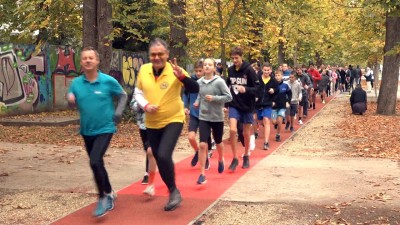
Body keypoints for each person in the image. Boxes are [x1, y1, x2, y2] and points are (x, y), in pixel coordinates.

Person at [134, 38, 199, 211]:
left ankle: (173, 192)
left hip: (173, 119)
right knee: (159, 157)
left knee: (163, 155)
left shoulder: (175, 69)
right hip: (152, 122)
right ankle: (174, 191)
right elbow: (138, 92)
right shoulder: (144, 69)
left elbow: (195, 88)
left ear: (167, 54)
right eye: (153, 54)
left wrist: (183, 77)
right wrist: (146, 105)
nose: (157, 57)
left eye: (160, 54)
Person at [67, 47, 127, 217]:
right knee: (97, 162)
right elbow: (71, 104)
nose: (87, 60)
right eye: (84, 58)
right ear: (81, 62)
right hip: (87, 130)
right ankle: (109, 190)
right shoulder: (76, 83)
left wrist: (118, 113)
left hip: (106, 128)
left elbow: (123, 95)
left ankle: (103, 197)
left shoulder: (107, 81)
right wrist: (71, 101)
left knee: (94, 161)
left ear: (97, 61)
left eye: (91, 58)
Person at [193, 58, 232, 184]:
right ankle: (202, 174)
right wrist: (197, 102)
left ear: (214, 68)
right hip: (204, 116)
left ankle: (221, 159)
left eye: (209, 65)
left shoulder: (219, 82)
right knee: (203, 144)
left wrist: (214, 98)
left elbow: (229, 97)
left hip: (217, 117)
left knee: (219, 141)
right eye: (205, 65)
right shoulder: (199, 82)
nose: (207, 67)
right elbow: (200, 95)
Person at [226, 46, 260, 171]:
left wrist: (246, 89)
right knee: (233, 130)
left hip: (247, 105)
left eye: (237, 58)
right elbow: (227, 85)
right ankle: (234, 158)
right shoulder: (230, 70)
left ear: (241, 57)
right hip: (234, 104)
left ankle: (246, 155)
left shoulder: (249, 70)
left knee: (245, 133)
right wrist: (225, 102)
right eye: (233, 58)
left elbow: (258, 89)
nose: (235, 60)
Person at [182, 60, 211, 169]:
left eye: (200, 71)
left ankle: (206, 158)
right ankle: (198, 152)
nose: (198, 73)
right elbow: (185, 94)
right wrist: (185, 106)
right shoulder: (191, 81)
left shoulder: (208, 81)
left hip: (206, 115)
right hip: (194, 114)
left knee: (204, 141)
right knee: (191, 137)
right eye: (196, 71)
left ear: (204, 70)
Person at [130, 97, 157, 197]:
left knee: (150, 150)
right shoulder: (139, 90)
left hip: (156, 124)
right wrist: (143, 106)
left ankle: (147, 174)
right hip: (142, 124)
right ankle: (151, 169)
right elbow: (132, 104)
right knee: (148, 150)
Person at [255, 63, 278, 150]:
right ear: (262, 70)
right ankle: (264, 126)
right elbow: (253, 88)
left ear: (270, 70)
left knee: (266, 120)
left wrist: (274, 91)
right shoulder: (257, 79)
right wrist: (255, 96)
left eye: (268, 70)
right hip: (258, 103)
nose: (266, 72)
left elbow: (277, 91)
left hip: (268, 103)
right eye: (265, 70)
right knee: (260, 121)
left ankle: (266, 142)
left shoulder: (273, 80)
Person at [272, 70, 291, 142]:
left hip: (282, 106)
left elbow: (289, 93)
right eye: (276, 75)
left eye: (279, 75)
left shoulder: (285, 86)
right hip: (274, 107)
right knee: (274, 122)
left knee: (279, 120)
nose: (277, 77)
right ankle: (275, 124)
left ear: (282, 76)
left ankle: (278, 134)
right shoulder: (272, 85)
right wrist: (271, 101)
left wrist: (287, 101)